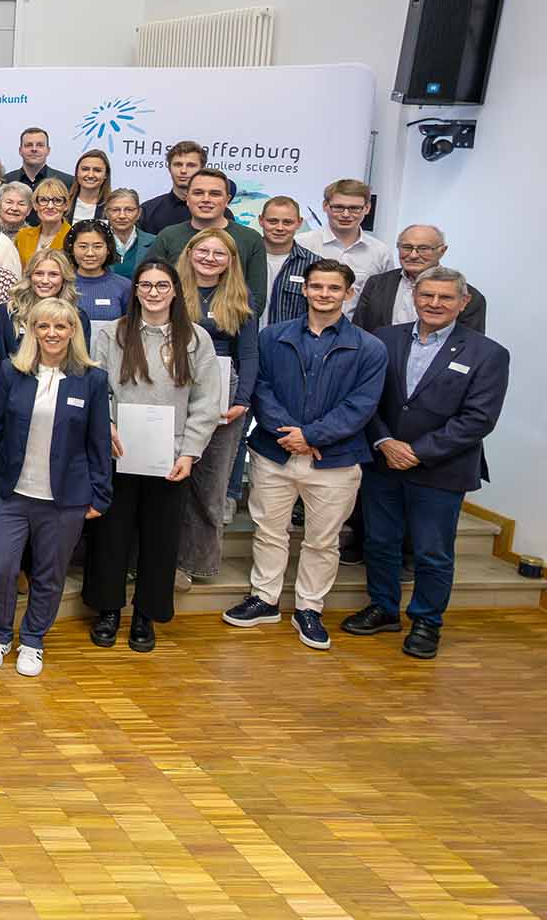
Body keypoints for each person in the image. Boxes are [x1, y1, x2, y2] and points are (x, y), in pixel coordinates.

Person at [343, 267, 508, 659]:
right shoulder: (385, 340)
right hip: (383, 461)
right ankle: (383, 608)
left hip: (441, 469)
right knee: (380, 541)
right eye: (427, 295)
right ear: (414, 296)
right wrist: (384, 441)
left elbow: (478, 419)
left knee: (432, 552)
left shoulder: (488, 353)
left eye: (445, 297)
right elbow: (369, 398)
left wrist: (417, 451)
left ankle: (426, 622)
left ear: (463, 302)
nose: (434, 304)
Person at [224, 260, 386, 650]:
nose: (324, 295)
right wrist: (291, 434)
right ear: (305, 290)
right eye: (317, 287)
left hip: (335, 460)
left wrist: (312, 436)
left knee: (323, 540)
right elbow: (260, 388)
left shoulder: (370, 348)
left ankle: (309, 607)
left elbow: (361, 405)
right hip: (274, 452)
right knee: (269, 530)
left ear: (348, 294)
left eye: (333, 288)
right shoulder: (272, 337)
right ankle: (264, 599)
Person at [0, 297, 112, 678]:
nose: (52, 333)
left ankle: (32, 639)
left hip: (65, 499)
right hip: (11, 492)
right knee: (1, 566)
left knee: (49, 574)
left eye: (61, 327)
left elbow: (99, 441)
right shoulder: (11, 372)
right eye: (43, 326)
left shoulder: (93, 379)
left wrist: (101, 493)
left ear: (72, 332)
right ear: (32, 331)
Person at [84, 260, 220, 652]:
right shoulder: (112, 333)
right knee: (110, 534)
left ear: (176, 290)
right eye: (146, 285)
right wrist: (105, 426)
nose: (154, 292)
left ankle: (146, 614)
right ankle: (108, 609)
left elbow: (206, 402)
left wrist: (190, 453)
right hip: (118, 450)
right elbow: (99, 388)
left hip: (171, 457)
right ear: (135, 290)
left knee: (160, 540)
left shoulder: (195, 339)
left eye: (162, 285)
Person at [173, 229, 257, 590]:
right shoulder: (172, 289)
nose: (209, 258)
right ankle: (164, 558)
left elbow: (250, 353)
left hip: (225, 392)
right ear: (190, 252)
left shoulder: (240, 296)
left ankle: (199, 562)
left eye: (219, 253)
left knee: (211, 482)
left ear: (231, 261)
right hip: (174, 386)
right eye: (203, 250)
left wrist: (243, 401)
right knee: (170, 478)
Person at [147, 168, 267, 315]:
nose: (206, 199)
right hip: (176, 328)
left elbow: (256, 301)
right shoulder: (168, 236)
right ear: (187, 197)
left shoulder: (250, 239)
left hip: (231, 331)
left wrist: (219, 322)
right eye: (198, 193)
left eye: (215, 194)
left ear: (227, 199)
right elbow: (149, 287)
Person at [292, 179, 399, 317]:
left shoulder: (380, 252)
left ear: (367, 208)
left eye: (354, 208)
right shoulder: (301, 243)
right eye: (338, 207)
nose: (346, 214)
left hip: (358, 334)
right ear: (325, 206)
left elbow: (384, 301)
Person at [355, 225, 486, 335]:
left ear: (442, 251)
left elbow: (470, 348)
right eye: (406, 247)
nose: (413, 255)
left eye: (423, 249)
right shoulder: (376, 284)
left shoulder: (467, 296)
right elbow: (359, 332)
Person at [0, 249, 89, 367]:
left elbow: (79, 363)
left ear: (64, 279)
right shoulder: (6, 313)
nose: (45, 280)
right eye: (39, 273)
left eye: (53, 274)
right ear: (30, 276)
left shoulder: (78, 317)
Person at [139, 140, 237, 234]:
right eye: (178, 165)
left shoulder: (221, 213)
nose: (183, 170)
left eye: (191, 165)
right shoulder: (148, 211)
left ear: (202, 169)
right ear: (169, 168)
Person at [256, 196, 316, 328]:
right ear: (261, 220)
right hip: (242, 344)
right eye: (273, 221)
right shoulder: (241, 258)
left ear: (299, 223)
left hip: (289, 345)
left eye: (287, 222)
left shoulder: (314, 265)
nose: (279, 228)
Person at [67, 219, 131, 328]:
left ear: (108, 249)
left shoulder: (124, 286)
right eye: (83, 246)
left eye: (97, 246)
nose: (90, 253)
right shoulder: (62, 283)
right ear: (72, 249)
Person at [2, 127, 73, 199]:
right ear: (20, 151)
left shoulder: (67, 182)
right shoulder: (6, 181)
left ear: (48, 150)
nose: (34, 149)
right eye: (28, 145)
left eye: (40, 145)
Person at [13, 178, 71, 265]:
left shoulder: (74, 237)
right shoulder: (22, 236)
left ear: (66, 205)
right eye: (43, 200)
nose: (50, 206)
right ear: (35, 205)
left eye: (57, 201)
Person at [104, 188, 153, 278]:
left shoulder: (154, 242)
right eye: (115, 210)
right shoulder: (97, 243)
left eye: (129, 210)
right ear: (107, 213)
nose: (122, 216)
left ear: (139, 213)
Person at [69, 150, 111, 222]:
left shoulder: (112, 207)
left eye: (97, 170)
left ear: (105, 175)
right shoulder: (62, 204)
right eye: (85, 169)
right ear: (77, 172)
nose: (90, 175)